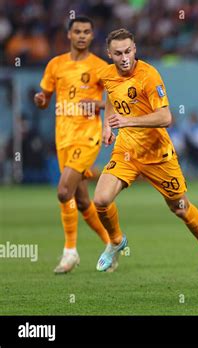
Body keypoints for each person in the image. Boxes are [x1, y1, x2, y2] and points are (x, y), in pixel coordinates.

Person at [93, 28, 198, 280]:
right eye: (118, 53)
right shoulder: (107, 75)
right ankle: (117, 241)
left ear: (135, 49)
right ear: (109, 54)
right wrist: (107, 125)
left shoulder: (149, 76)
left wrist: (127, 121)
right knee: (100, 200)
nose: (124, 57)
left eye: (128, 51)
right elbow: (111, 96)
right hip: (127, 152)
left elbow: (166, 117)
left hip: (158, 155)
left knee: (181, 208)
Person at [33, 16, 111, 274]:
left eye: (87, 32)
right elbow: (45, 97)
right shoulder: (55, 65)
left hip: (88, 137)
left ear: (91, 36)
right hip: (63, 138)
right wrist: (41, 100)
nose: (81, 36)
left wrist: (97, 105)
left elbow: (114, 99)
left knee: (63, 191)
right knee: (81, 200)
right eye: (77, 31)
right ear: (69, 34)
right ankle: (111, 243)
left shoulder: (100, 67)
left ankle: (70, 252)